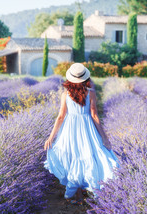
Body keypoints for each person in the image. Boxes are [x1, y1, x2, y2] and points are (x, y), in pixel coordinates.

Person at [44, 63, 119, 205]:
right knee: (88, 155)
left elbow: (60, 117)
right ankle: (85, 190)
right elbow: (95, 116)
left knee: (73, 156)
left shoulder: (65, 94)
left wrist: (51, 137)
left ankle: (77, 194)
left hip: (70, 128)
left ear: (70, 79)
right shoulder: (91, 93)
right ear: (85, 78)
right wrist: (104, 138)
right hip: (86, 128)